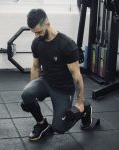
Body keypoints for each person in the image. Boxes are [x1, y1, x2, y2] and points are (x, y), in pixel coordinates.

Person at [21, 8, 92, 141]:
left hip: (64, 89)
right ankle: (42, 124)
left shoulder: (66, 45)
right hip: (46, 81)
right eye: (34, 33)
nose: (37, 36)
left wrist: (80, 102)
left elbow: (77, 77)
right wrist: (34, 95)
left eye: (39, 32)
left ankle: (86, 109)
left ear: (47, 24)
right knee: (26, 94)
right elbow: (36, 67)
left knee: (59, 128)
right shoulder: (37, 43)